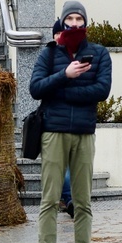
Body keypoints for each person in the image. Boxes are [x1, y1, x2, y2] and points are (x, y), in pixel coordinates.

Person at [30, 1, 112, 243]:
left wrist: (62, 91)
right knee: (50, 199)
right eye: (70, 18)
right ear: (63, 22)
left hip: (84, 132)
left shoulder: (99, 53)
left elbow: (101, 90)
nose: (75, 23)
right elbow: (35, 88)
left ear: (85, 22)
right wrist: (65, 75)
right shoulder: (49, 54)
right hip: (54, 131)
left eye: (79, 18)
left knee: (83, 201)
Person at [50, 18, 74, 219]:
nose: (59, 36)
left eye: (62, 33)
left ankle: (69, 198)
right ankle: (68, 198)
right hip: (55, 119)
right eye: (56, 33)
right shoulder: (48, 56)